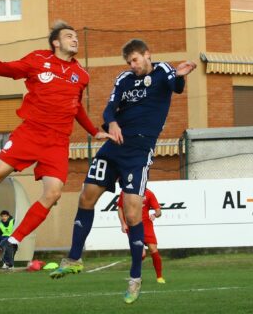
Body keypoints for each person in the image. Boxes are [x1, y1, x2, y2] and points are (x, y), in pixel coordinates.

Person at [0, 22, 113, 268]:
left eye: (76, 36)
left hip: (57, 142)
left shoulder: (82, 74)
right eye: (69, 36)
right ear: (56, 42)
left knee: (53, 193)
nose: (75, 39)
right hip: (30, 133)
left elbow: (75, 106)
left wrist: (93, 131)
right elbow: (0, 68)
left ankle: (13, 240)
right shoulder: (37, 60)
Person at [49, 39, 196, 304]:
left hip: (139, 151)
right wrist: (112, 123)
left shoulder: (163, 70)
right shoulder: (124, 79)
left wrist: (182, 76)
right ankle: (74, 258)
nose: (132, 66)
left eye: (135, 60)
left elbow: (176, 87)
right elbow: (109, 109)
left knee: (131, 212)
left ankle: (135, 278)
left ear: (147, 55)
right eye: (129, 62)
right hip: (114, 146)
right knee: (86, 197)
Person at [117, 188, 164, 283]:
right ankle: (136, 277)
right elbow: (120, 208)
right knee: (140, 253)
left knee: (153, 250)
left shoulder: (149, 193)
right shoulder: (125, 192)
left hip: (147, 226)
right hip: (133, 226)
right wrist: (123, 224)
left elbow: (159, 211)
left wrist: (155, 215)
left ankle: (159, 277)